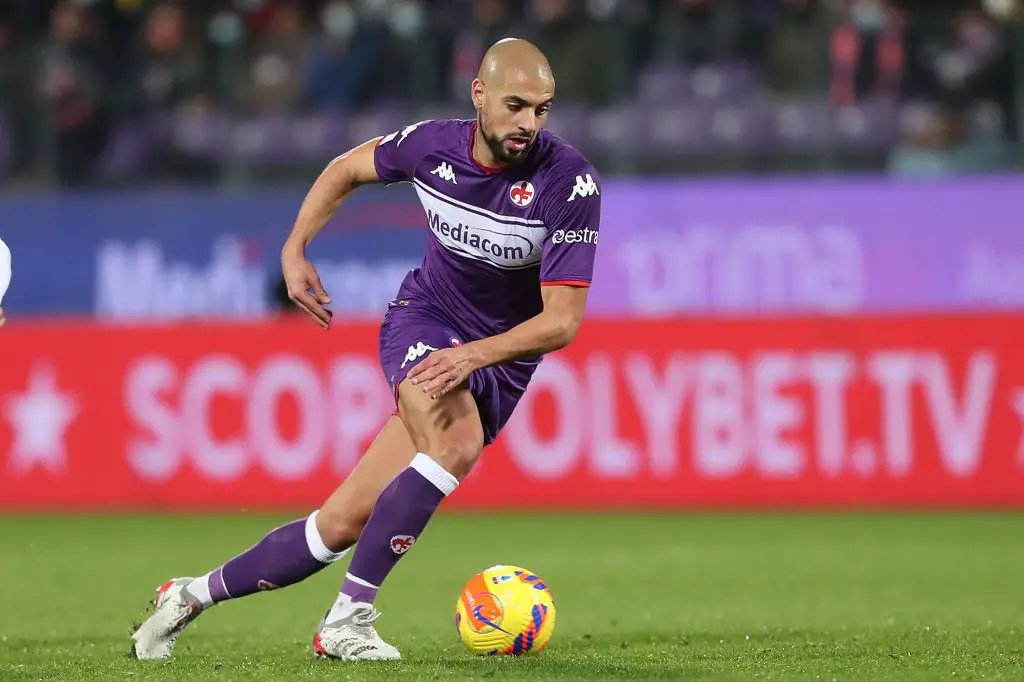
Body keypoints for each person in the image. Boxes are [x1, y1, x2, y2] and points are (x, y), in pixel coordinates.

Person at [131, 38, 601, 662]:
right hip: (424, 323)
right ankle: (347, 621)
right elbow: (346, 168)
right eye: (516, 106)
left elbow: (561, 322)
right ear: (479, 94)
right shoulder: (432, 146)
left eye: (542, 110)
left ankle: (188, 595)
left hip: (496, 362)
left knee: (338, 526)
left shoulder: (567, 182)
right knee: (455, 443)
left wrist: (476, 356)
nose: (529, 124)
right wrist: (295, 248)